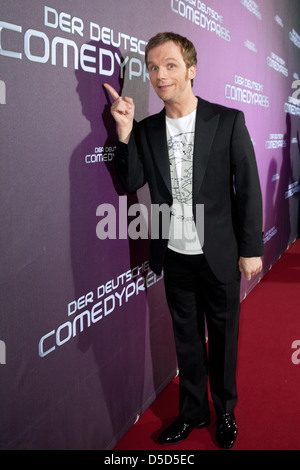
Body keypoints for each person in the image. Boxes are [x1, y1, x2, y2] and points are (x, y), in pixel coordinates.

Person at [104, 32, 263, 449]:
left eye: (170, 65)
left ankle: (225, 412)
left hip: (221, 255)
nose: (160, 75)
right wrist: (123, 133)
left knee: (224, 340)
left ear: (192, 70)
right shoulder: (147, 129)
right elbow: (130, 180)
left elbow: (247, 187)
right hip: (174, 256)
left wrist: (251, 249)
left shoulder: (226, 120)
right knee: (187, 340)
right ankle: (193, 413)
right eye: (153, 67)